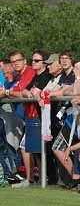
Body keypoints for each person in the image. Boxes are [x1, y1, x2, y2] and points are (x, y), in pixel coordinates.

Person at [6, 50, 52, 187]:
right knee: (30, 149)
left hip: (37, 115)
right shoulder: (27, 75)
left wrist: (9, 92)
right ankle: (34, 179)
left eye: (18, 60)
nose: (16, 64)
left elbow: (23, 93)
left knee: (31, 148)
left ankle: (36, 179)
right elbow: (25, 91)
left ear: (23, 61)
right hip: (30, 116)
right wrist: (20, 92)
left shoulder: (31, 73)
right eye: (13, 62)